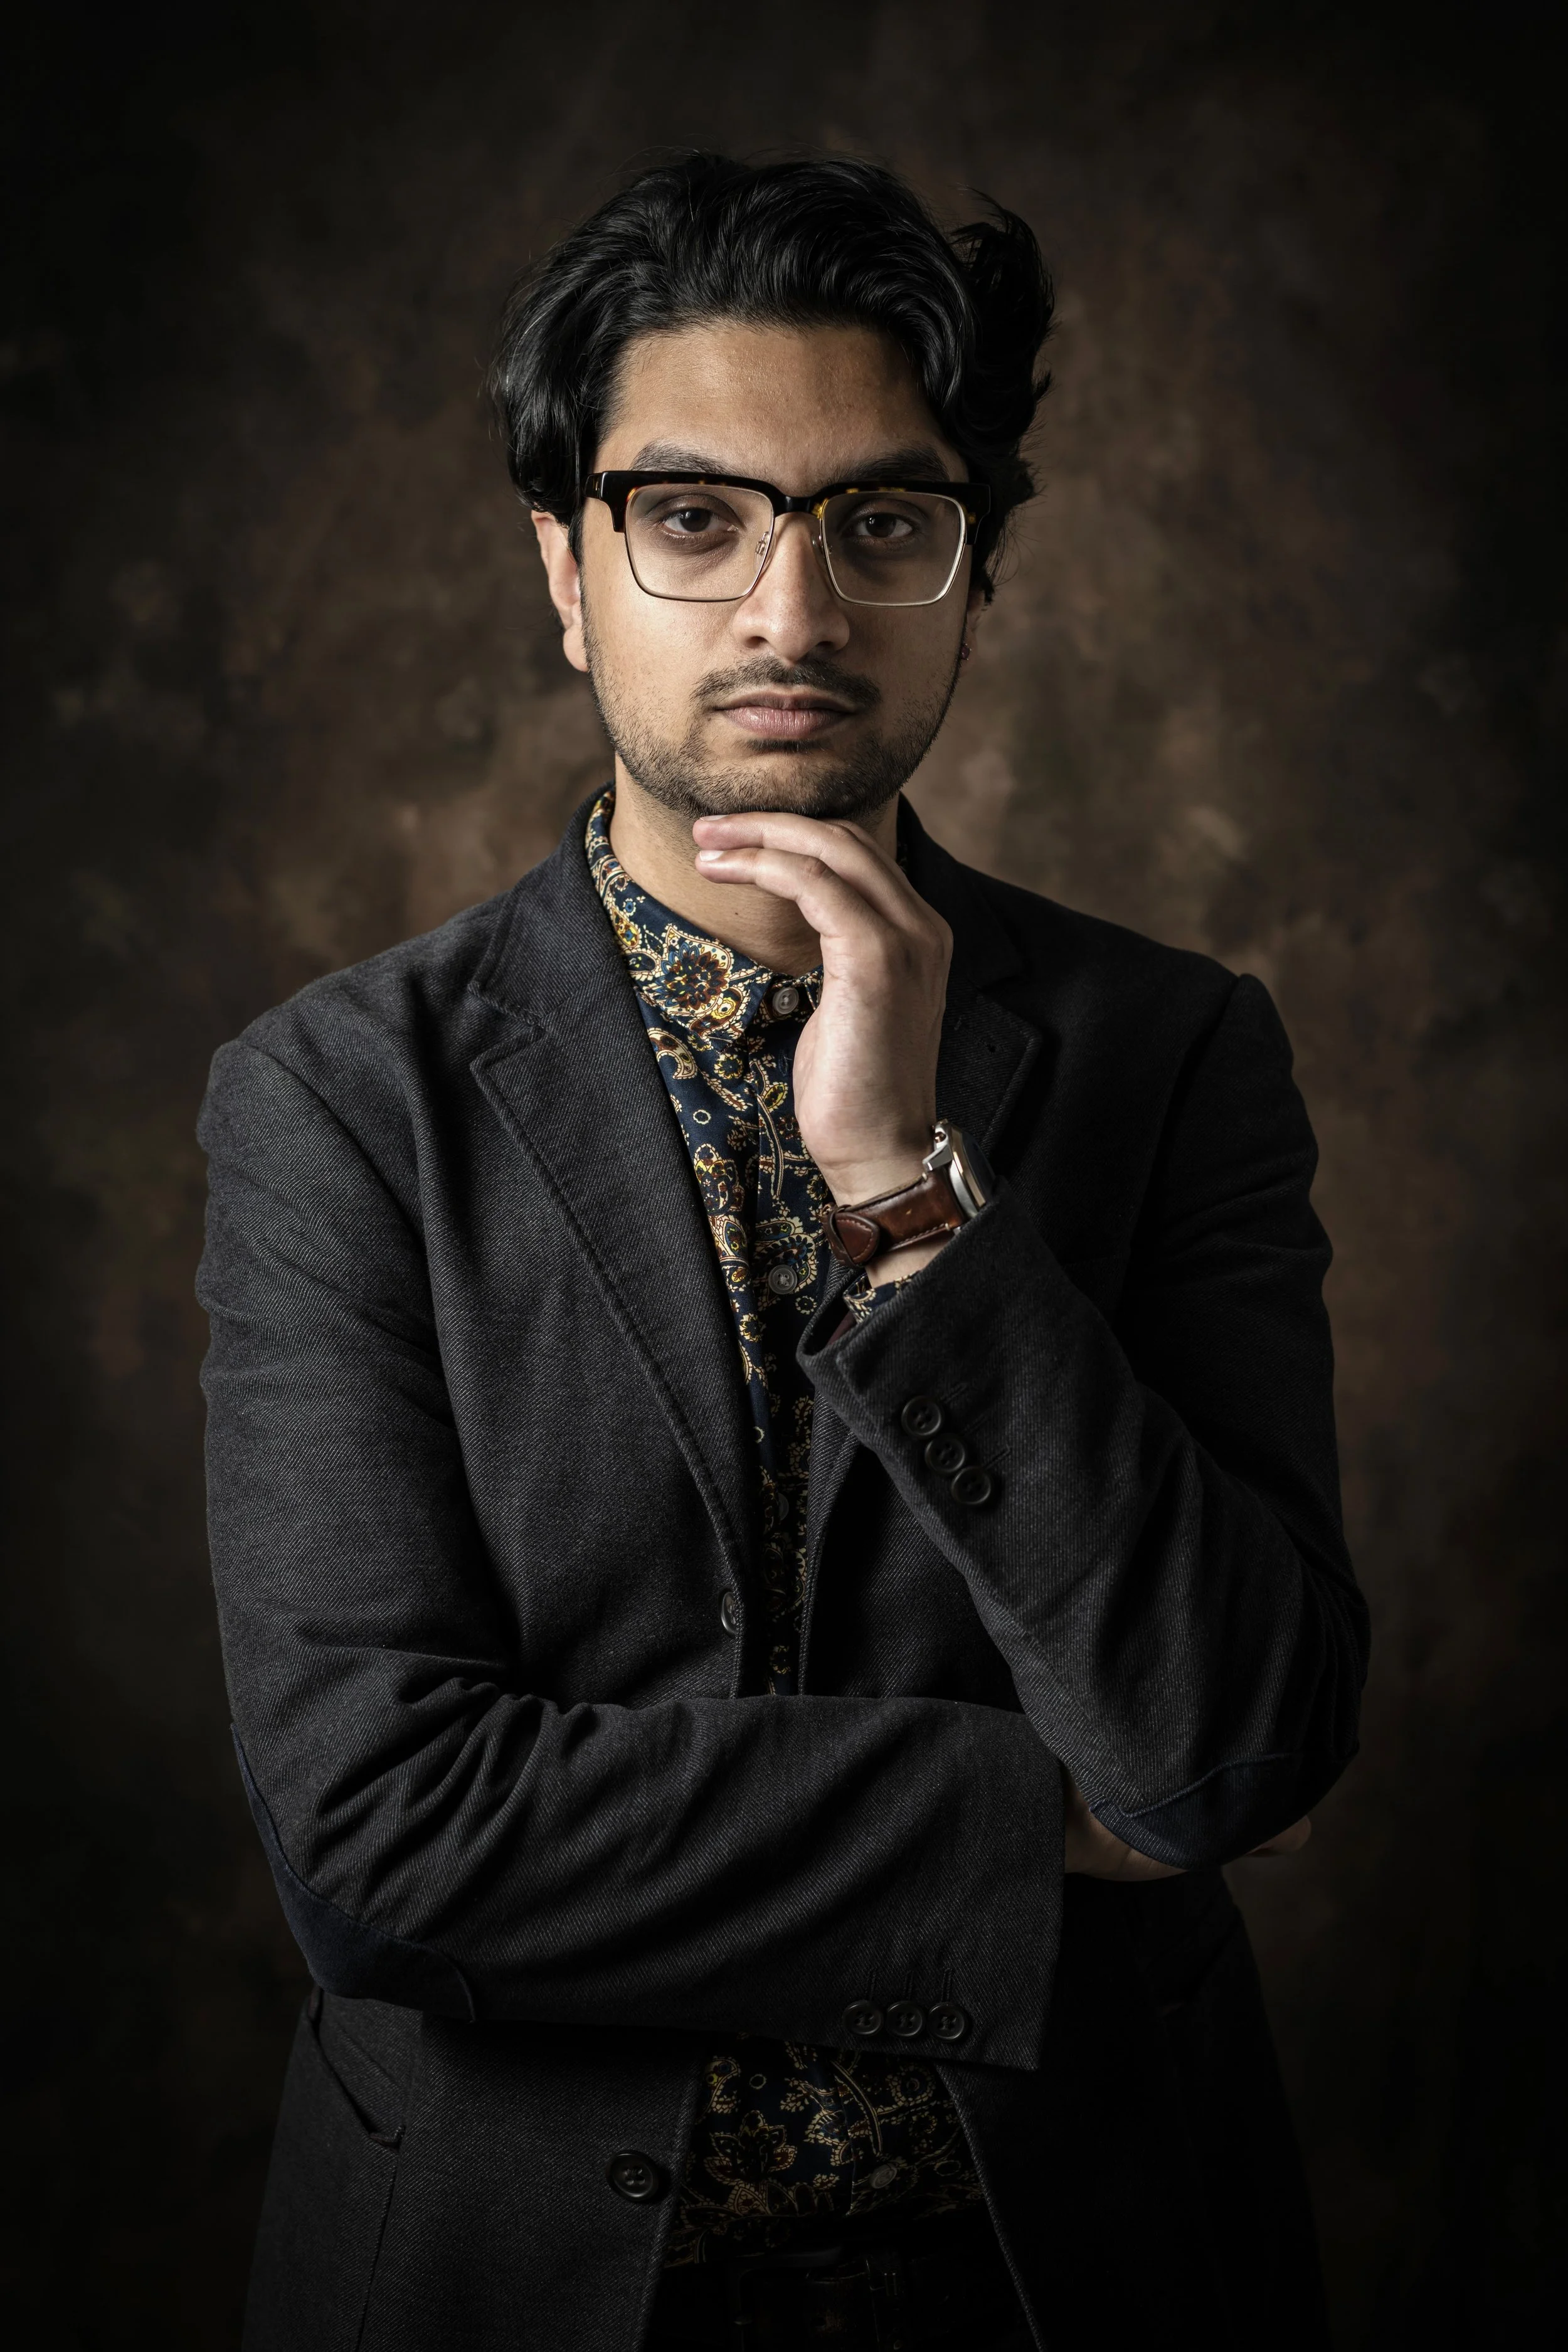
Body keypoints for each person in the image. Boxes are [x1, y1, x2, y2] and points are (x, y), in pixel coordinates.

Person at [198, 153, 1368, 2352]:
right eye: (695, 516)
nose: (790, 612)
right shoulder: (340, 1098)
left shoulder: (1174, 1053)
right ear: (566, 568)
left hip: (1072, 2273)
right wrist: (1034, 1823)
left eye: (879, 524)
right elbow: (377, 1843)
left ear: (970, 574)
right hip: (506, 2275)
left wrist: (909, 1199)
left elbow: (1225, 1755)